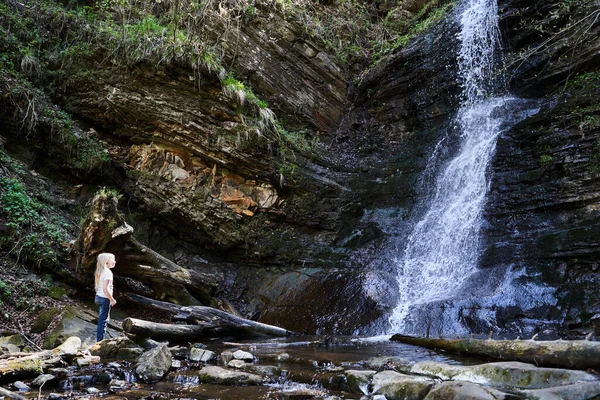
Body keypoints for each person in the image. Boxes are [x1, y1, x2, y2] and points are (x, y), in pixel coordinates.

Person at [94, 252, 117, 342]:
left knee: (101, 319)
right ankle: (100, 342)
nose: (115, 261)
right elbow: (105, 288)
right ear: (107, 261)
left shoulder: (100, 271)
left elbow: (97, 288)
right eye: (113, 259)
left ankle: (99, 340)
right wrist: (112, 299)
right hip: (104, 299)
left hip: (98, 298)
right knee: (103, 321)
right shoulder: (108, 273)